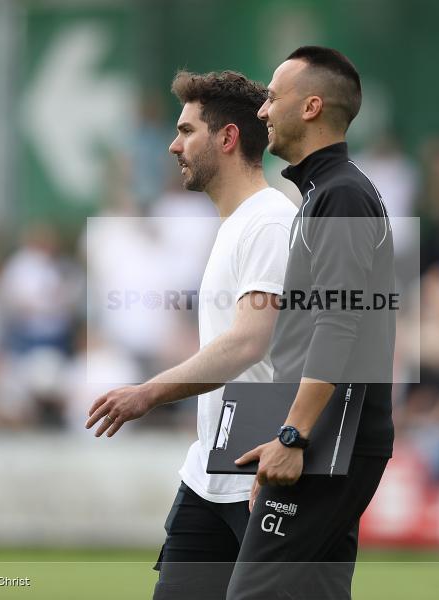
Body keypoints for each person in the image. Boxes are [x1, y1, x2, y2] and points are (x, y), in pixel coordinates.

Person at [85, 70, 296, 600]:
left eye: (186, 130)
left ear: (227, 139)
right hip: (209, 472)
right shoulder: (235, 225)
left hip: (259, 474)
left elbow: (249, 343)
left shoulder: (269, 222)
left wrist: (150, 391)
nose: (173, 145)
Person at [227, 46, 395, 600]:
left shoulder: (342, 194)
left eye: (273, 97)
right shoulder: (323, 193)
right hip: (330, 436)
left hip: (331, 438)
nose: (261, 110)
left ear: (312, 107)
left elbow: (339, 323)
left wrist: (294, 436)